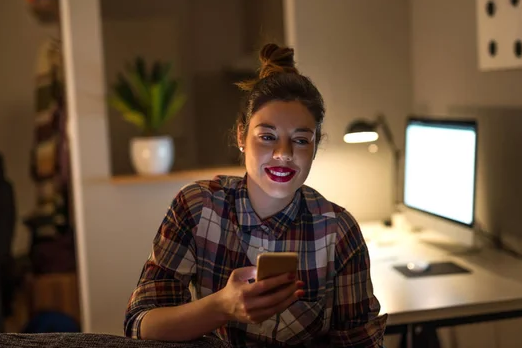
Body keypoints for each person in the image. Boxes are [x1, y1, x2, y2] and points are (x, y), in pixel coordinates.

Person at [124, 43, 387, 347]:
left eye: (301, 140)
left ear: (315, 147)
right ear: (241, 135)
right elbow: (140, 324)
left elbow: (362, 343)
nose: (283, 154)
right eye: (267, 137)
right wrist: (222, 306)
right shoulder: (197, 207)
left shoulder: (338, 231)